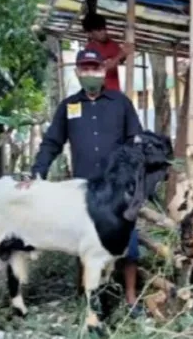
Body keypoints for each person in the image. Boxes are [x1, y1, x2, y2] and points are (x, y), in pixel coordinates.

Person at [17, 48, 145, 316]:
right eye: (84, 69)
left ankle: (131, 297)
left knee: (129, 244)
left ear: (103, 71)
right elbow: (52, 142)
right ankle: (86, 295)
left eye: (95, 68)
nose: (90, 73)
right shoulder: (68, 107)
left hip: (118, 190)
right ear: (77, 72)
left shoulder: (121, 103)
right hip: (84, 191)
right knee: (83, 242)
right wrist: (35, 172)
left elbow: (136, 140)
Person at [82, 13, 134, 92]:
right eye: (99, 30)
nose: (103, 32)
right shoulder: (89, 50)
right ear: (90, 34)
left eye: (104, 28)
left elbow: (121, 58)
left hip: (115, 93)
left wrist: (127, 51)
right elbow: (100, 70)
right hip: (99, 95)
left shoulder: (113, 44)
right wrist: (121, 54)